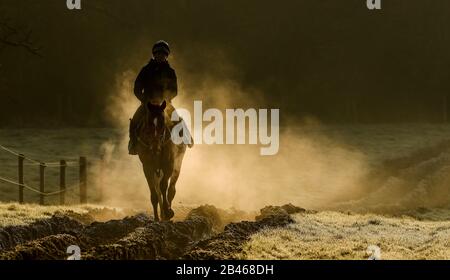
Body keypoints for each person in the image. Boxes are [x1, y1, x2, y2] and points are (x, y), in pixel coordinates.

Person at [128, 40, 178, 155]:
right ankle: (133, 143)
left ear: (166, 56)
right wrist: (144, 100)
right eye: (158, 54)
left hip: (164, 104)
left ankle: (186, 139)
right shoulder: (145, 70)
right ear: (154, 55)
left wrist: (166, 99)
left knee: (179, 120)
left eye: (163, 54)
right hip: (147, 104)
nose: (161, 56)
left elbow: (174, 90)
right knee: (134, 121)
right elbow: (137, 88)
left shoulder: (170, 72)